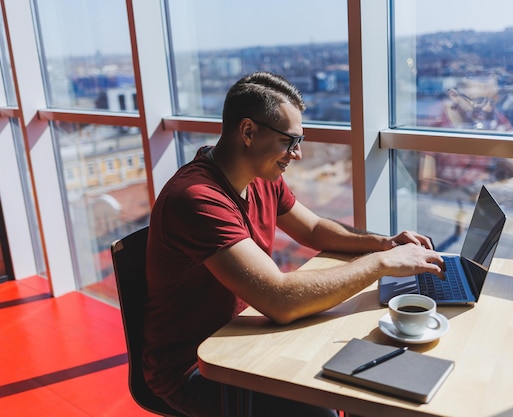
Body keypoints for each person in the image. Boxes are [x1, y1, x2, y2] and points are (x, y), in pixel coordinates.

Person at [144, 71, 446, 417]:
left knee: (367, 380)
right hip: (197, 369)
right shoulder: (197, 198)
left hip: (246, 336)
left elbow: (314, 229)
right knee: (325, 408)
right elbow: (279, 299)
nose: (298, 154)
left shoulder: (259, 175)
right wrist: (381, 264)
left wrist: (384, 244)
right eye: (290, 141)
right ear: (248, 132)